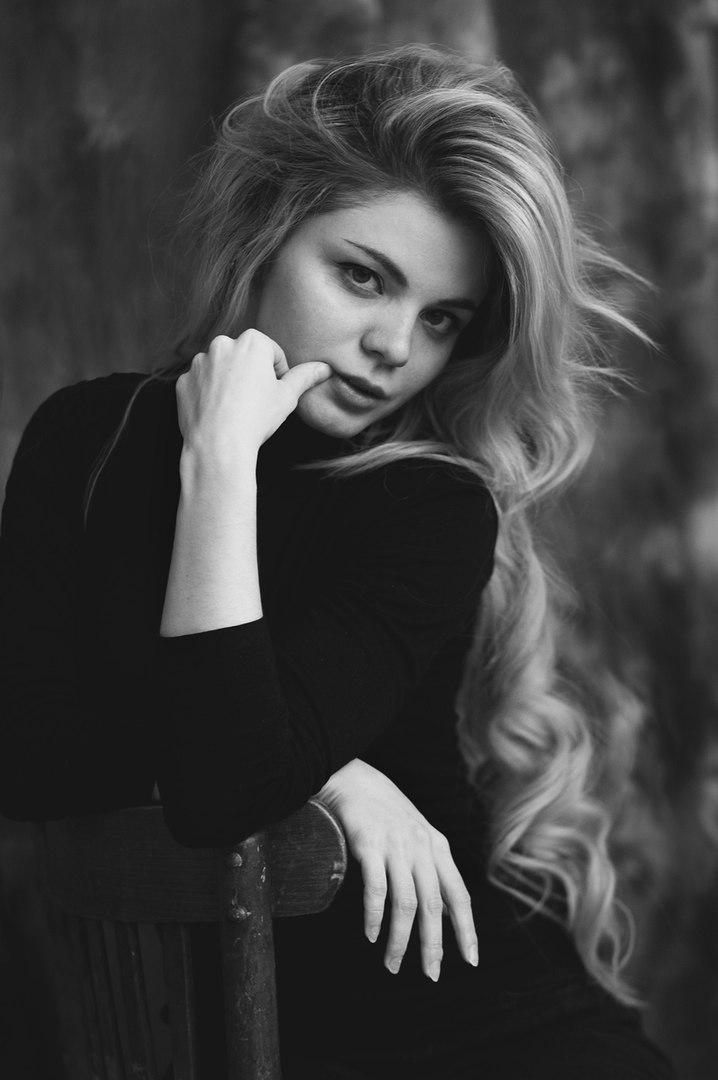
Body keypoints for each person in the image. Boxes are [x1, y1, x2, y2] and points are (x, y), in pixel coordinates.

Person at [0, 44, 675, 1079]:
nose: (395, 347)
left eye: (441, 319)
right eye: (363, 277)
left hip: (477, 1032)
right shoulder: (86, 440)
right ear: (265, 235)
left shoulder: (429, 505)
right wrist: (335, 776)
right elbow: (30, 755)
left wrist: (220, 474)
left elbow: (227, 782)